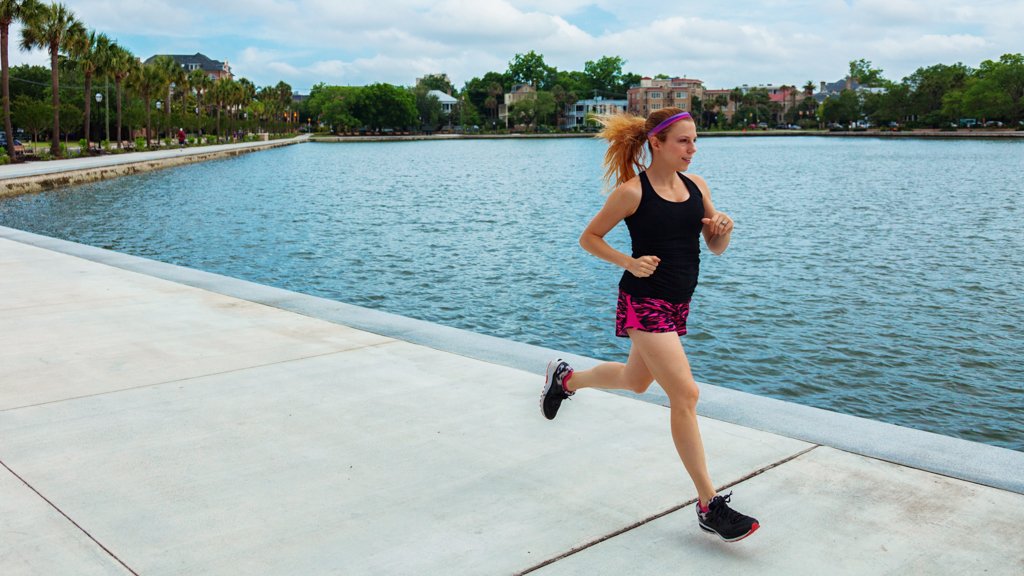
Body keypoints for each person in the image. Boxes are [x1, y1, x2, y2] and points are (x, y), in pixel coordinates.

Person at [540, 107, 760, 543]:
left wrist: (725, 228)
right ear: (656, 143)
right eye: (683, 141)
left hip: (678, 303)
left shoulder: (697, 187)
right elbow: (589, 237)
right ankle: (708, 505)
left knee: (634, 380)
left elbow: (714, 247)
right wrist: (629, 262)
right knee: (686, 393)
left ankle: (565, 380)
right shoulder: (631, 193)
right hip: (644, 302)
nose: (692, 150)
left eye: (695, 141)